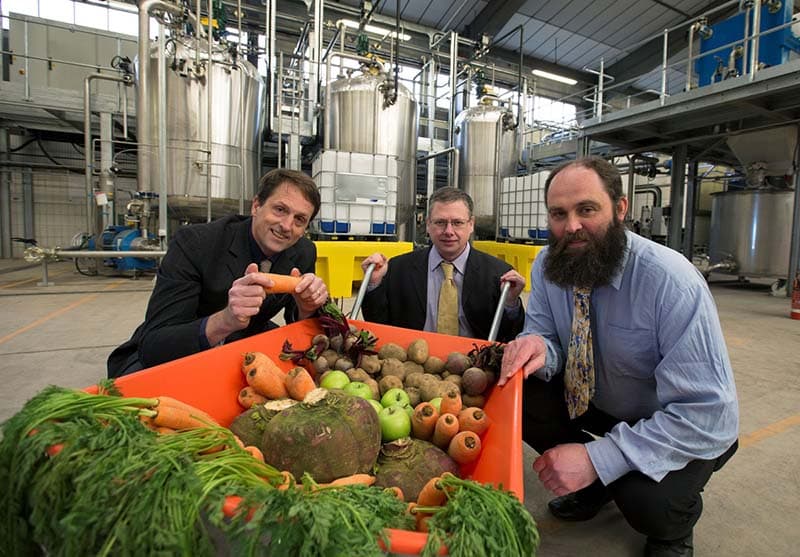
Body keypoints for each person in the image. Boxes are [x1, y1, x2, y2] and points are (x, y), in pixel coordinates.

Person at [498, 156, 738, 556]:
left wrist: (598, 457)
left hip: (674, 422)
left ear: (620, 209)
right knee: (522, 398)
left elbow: (708, 412)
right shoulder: (546, 265)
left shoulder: (670, 282)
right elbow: (544, 333)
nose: (571, 225)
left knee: (646, 502)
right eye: (559, 213)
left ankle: (672, 532)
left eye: (586, 209)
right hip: (598, 398)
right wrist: (539, 346)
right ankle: (595, 489)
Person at [107, 168, 329, 377]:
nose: (287, 226)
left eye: (299, 219)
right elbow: (156, 345)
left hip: (246, 342)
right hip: (181, 347)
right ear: (256, 206)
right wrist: (225, 320)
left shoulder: (303, 251)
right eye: (280, 210)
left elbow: (301, 325)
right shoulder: (195, 243)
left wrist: (306, 308)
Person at [359, 187, 526, 342]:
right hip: (409, 365)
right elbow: (377, 326)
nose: (448, 231)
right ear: (428, 224)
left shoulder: (498, 275)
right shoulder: (397, 269)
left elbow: (510, 336)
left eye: (457, 223)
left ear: (471, 224)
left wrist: (510, 303)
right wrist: (374, 284)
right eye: (440, 222)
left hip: (474, 368)